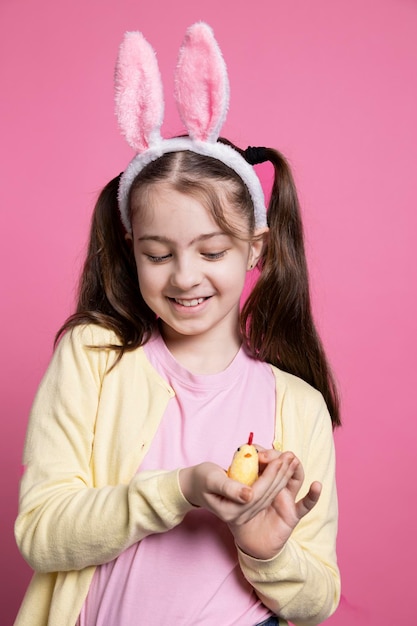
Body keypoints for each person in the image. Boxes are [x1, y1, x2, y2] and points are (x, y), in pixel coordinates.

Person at [14, 22, 341, 626]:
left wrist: (264, 552)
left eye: (211, 251)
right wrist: (176, 491)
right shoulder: (95, 356)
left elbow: (319, 599)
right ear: (129, 246)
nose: (185, 277)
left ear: (254, 249)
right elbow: (40, 532)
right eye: (158, 254)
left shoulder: (298, 407)